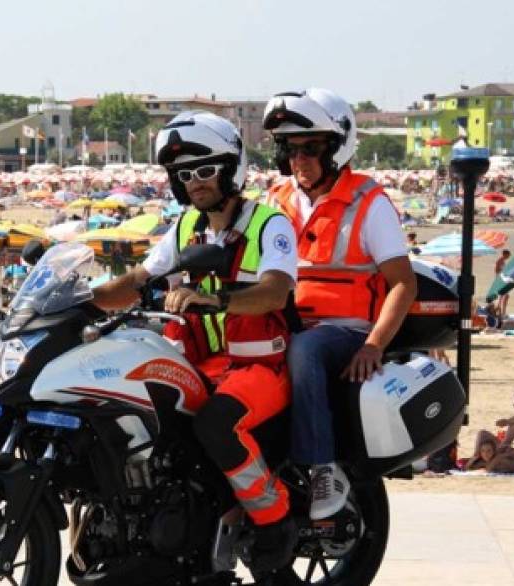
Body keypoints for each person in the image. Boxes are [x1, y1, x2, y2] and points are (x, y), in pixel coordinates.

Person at [93, 112, 299, 571]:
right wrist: (83, 301)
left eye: (205, 170)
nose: (195, 182)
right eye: (184, 174)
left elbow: (275, 291)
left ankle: (274, 518)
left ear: (231, 169)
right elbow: (138, 279)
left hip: (259, 367)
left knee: (217, 425)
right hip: (201, 366)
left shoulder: (270, 224)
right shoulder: (184, 227)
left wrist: (216, 298)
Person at [262, 89, 417, 519]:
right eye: (290, 150)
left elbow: (403, 284)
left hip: (344, 331)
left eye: (311, 148)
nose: (300, 160)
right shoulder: (276, 198)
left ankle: (322, 467)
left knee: (305, 350)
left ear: (337, 146)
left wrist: (374, 345)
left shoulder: (368, 202)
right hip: (284, 323)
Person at [495, 249, 511, 317]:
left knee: (503, 296)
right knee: (504, 296)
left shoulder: (502, 261)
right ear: (505, 254)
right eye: (508, 255)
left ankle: (501, 312)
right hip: (501, 281)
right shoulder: (499, 261)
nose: (509, 257)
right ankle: (501, 312)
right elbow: (496, 271)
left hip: (503, 280)